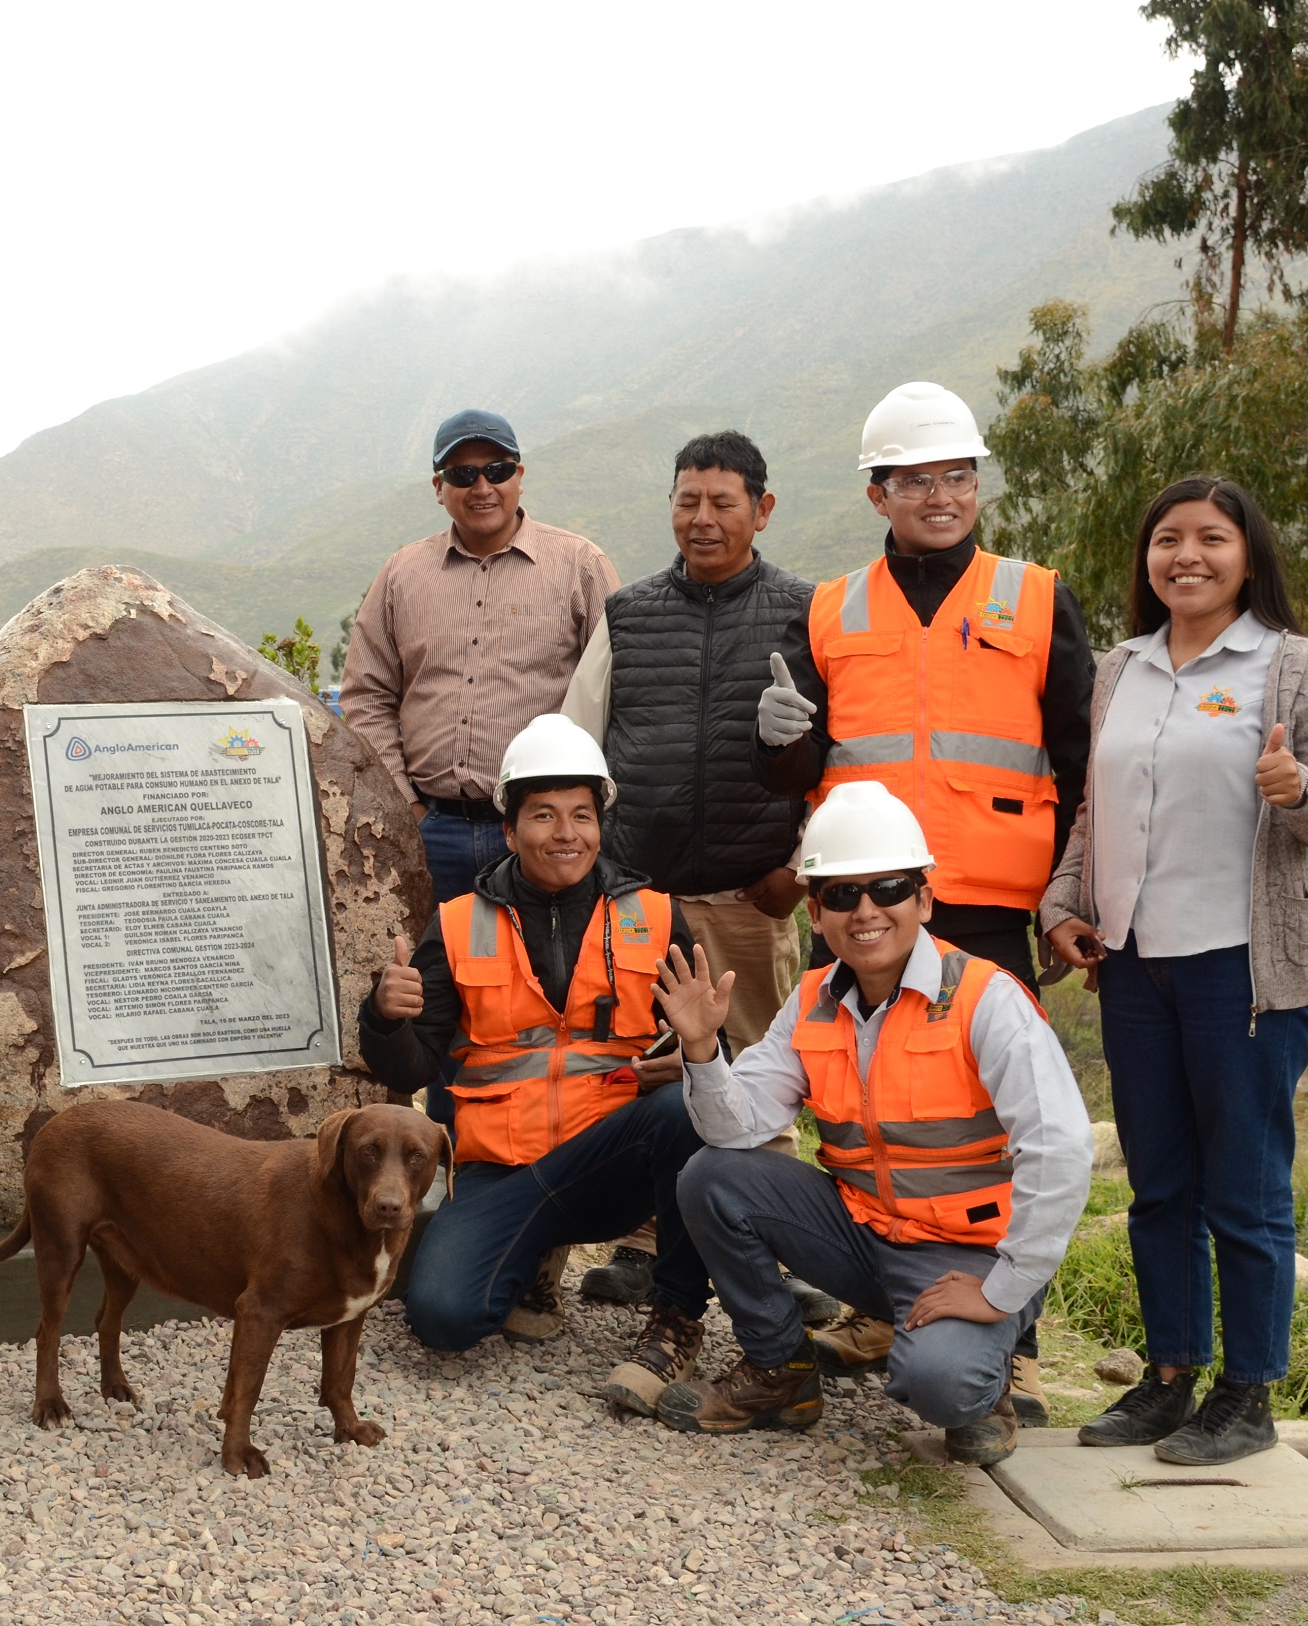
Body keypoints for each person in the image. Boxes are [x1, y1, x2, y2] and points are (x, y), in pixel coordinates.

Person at [749, 381, 1091, 1418]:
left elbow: (1078, 759)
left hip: (983, 896)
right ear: (876, 492)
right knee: (857, 1100)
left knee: (998, 1118)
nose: (939, 495)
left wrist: (1067, 892)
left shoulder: (1034, 597)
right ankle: (877, 1292)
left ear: (976, 483)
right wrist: (783, 743)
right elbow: (811, 760)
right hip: (862, 898)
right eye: (915, 479)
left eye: (956, 475)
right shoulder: (831, 607)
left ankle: (1010, 1323)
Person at [1042, 479, 1308, 1466]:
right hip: (1137, 966)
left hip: (1245, 971)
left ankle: (1248, 1392)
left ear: (1246, 552)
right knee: (1159, 1187)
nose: (1186, 555)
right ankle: (1168, 1375)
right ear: (1147, 559)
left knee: (1245, 1189)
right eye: (1168, 540)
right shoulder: (1119, 669)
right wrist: (1063, 903)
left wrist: (1295, 787)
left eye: (1210, 538)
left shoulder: (1289, 665)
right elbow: (1094, 812)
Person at [656, 781, 1093, 1467]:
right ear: (816, 911)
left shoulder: (985, 998)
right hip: (865, 1236)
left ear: (922, 897)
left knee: (939, 1384)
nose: (865, 910)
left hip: (968, 1252)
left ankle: (988, 1381)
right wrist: (704, 1051)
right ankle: (780, 1372)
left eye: (887, 887)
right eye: (840, 893)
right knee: (712, 1177)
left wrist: (1000, 1287)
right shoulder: (812, 1003)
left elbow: (1062, 1150)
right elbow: (733, 1131)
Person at [339, 409, 620, 1340]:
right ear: (439, 487)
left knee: (541, 1025)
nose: (482, 485)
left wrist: (571, 813)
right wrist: (393, 797)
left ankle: (538, 1252)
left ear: (520, 472)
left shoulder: (579, 567)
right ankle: (446, 1218)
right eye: (462, 474)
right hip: (431, 828)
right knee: (449, 1027)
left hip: (536, 835)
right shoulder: (402, 575)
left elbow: (608, 686)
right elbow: (369, 690)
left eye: (496, 468)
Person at [359, 715, 711, 1413]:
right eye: (543, 814)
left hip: (610, 1159)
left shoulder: (656, 915)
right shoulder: (459, 923)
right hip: (502, 1168)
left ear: (601, 823)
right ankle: (530, 1264)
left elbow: (707, 1067)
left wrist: (701, 1048)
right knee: (442, 1319)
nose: (566, 833)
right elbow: (414, 1058)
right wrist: (384, 1015)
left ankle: (676, 1318)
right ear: (511, 828)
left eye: (582, 814)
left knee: (681, 1113)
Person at [560, 430, 820, 1314]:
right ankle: (646, 1245)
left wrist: (800, 868)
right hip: (640, 898)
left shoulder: (803, 612)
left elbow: (837, 757)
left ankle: (771, 1254)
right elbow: (579, 743)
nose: (701, 518)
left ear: (762, 508)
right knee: (654, 1073)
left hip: (753, 897)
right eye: (686, 500)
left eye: (721, 501)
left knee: (763, 1072)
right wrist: (602, 878)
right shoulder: (628, 615)